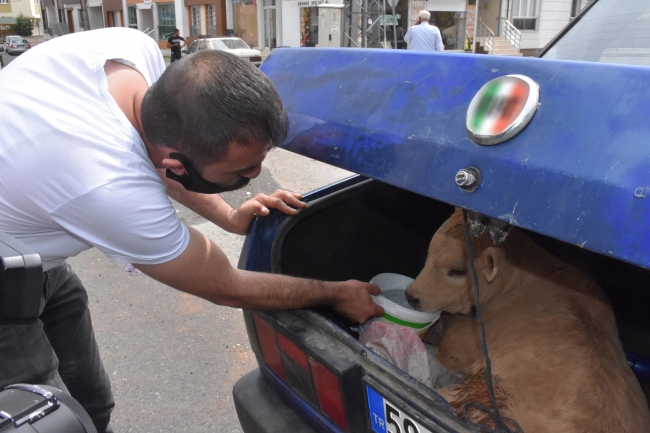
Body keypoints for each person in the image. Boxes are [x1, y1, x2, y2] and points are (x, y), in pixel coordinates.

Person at [0, 27, 383, 433]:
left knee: (90, 398)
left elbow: (152, 155)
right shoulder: (105, 185)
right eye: (240, 171)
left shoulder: (134, 49)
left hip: (36, 251)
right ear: (178, 164)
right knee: (42, 419)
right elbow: (225, 285)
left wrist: (229, 216)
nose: (255, 178)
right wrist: (337, 293)